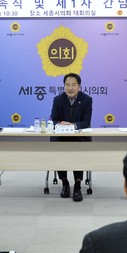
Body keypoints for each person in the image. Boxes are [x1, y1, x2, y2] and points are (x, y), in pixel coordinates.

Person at [50, 73, 93, 202]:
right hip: (62, 137)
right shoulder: (58, 99)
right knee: (58, 149)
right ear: (64, 86)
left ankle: (78, 186)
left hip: (79, 136)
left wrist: (73, 125)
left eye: (73, 85)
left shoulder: (86, 100)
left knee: (78, 150)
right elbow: (53, 119)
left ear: (79, 86)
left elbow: (86, 122)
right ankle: (65, 183)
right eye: (67, 85)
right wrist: (60, 124)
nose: (70, 88)